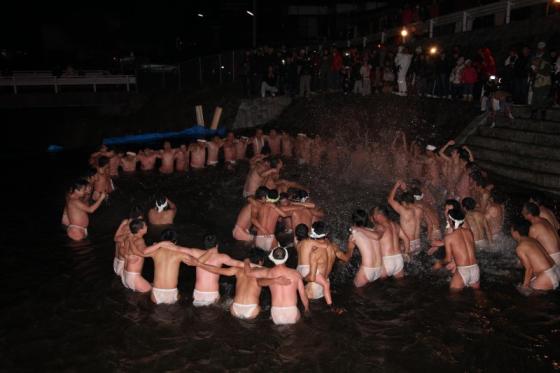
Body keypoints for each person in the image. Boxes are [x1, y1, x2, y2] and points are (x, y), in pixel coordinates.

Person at [185, 248, 290, 319]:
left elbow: (217, 270)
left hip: (235, 308)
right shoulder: (264, 271)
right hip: (252, 309)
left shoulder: (237, 270)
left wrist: (198, 264)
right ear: (261, 261)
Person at [245, 247, 309, 325]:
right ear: (286, 257)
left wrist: (246, 261)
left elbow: (250, 275)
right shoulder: (295, 274)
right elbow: (302, 294)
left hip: (275, 312)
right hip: (292, 311)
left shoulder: (268, 272)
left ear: (272, 258)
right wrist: (306, 308)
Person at [177, 234, 244, 307]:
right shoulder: (222, 257)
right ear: (217, 245)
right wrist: (256, 266)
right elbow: (239, 263)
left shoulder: (196, 252)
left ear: (204, 244)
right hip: (213, 293)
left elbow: (179, 249)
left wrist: (164, 244)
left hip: (198, 292)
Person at [142, 229, 193, 304]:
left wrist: (156, 246)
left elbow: (141, 253)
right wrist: (180, 248)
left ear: (162, 241)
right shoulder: (179, 253)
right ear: (175, 241)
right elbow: (192, 261)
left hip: (156, 293)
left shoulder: (155, 252)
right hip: (172, 293)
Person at [511, 217, 560, 292]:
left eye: (511, 230)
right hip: (556, 270)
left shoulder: (520, 247)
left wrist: (525, 286)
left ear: (516, 232)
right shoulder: (532, 240)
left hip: (546, 277)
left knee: (525, 294)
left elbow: (529, 268)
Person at [339, 209, 383, 287]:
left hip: (367, 270)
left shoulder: (354, 235)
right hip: (379, 269)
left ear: (354, 221)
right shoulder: (373, 231)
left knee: (356, 291)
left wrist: (341, 262)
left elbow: (348, 256)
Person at [442, 209, 479, 290]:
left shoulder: (449, 237)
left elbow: (447, 259)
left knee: (454, 297)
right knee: (478, 295)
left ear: (451, 221)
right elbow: (472, 250)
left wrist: (440, 263)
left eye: (448, 219)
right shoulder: (469, 232)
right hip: (475, 269)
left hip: (463, 271)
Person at [370, 205, 409, 278]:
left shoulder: (379, 227)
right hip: (398, 259)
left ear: (379, 215)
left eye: (374, 215)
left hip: (386, 260)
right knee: (401, 284)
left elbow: (374, 239)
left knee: (381, 285)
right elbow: (406, 239)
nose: (374, 217)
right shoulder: (395, 225)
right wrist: (406, 253)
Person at [388, 180, 424, 256]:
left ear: (404, 202)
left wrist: (396, 186)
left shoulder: (404, 211)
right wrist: (405, 190)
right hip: (417, 243)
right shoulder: (420, 209)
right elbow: (411, 198)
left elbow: (390, 200)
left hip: (407, 245)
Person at [122, 218, 152, 293]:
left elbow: (125, 253)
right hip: (134, 276)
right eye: (145, 226)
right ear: (140, 230)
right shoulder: (140, 240)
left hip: (125, 274)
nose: (147, 227)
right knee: (151, 293)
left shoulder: (128, 239)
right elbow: (144, 253)